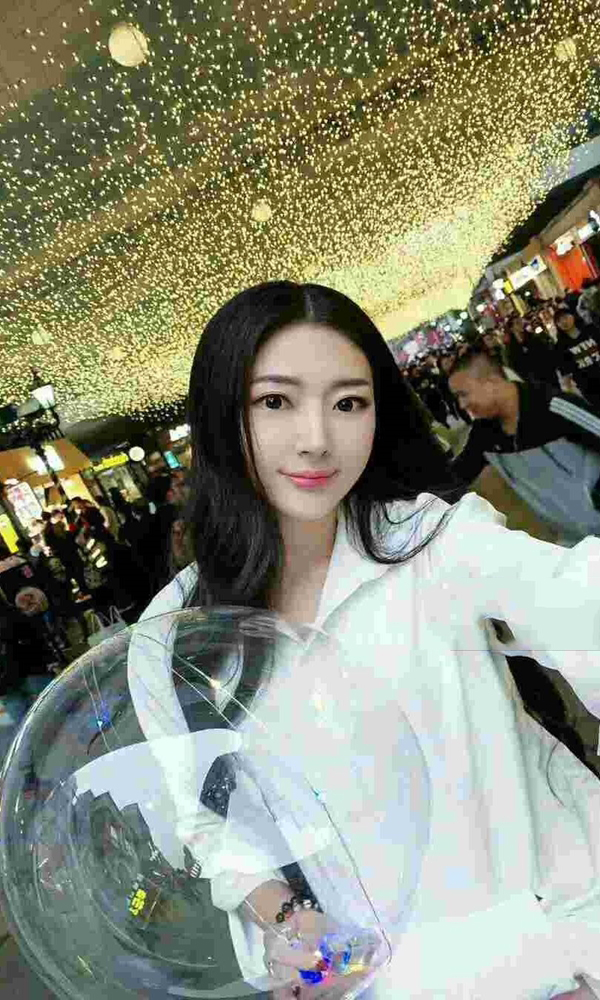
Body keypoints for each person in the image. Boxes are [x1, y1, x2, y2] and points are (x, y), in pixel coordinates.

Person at [128, 281, 600, 1000]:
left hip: (549, 953)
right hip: (372, 979)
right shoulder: (173, 638)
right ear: (222, 416)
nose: (317, 438)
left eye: (348, 403)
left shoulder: (434, 542)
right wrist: (288, 921)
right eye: (275, 402)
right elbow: (208, 821)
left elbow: (579, 606)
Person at [447, 344, 600, 542]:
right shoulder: (484, 433)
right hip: (574, 543)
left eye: (464, 394)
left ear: (492, 382)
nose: (462, 405)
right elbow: (457, 476)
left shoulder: (555, 408)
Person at [553, 307, 600, 407]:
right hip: (589, 387)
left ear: (573, 316)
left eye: (565, 317)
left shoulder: (590, 330)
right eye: (559, 321)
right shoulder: (560, 346)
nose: (563, 322)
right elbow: (565, 373)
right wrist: (570, 394)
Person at [505, 315, 561, 391]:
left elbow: (545, 353)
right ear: (511, 328)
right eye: (517, 323)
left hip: (546, 374)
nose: (521, 324)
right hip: (532, 382)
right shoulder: (511, 347)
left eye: (521, 321)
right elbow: (515, 366)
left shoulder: (532, 338)